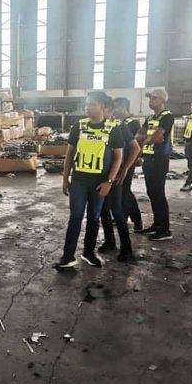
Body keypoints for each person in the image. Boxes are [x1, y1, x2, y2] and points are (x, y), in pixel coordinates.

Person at [55, 91, 124, 269]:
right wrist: (65, 179)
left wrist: (109, 182)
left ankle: (88, 253)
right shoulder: (79, 126)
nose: (87, 108)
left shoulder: (113, 129)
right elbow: (69, 154)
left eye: (91, 104)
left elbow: (118, 158)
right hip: (79, 181)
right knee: (75, 217)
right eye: (86, 104)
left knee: (94, 218)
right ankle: (67, 256)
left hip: (99, 183)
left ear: (102, 106)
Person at [97, 99, 141, 262]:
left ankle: (126, 249)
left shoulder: (119, 126)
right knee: (103, 210)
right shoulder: (93, 126)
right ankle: (109, 242)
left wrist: (125, 169)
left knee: (116, 209)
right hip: (98, 175)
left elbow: (135, 148)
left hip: (114, 175)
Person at [135, 89, 174, 241]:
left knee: (158, 193)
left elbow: (158, 138)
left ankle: (164, 229)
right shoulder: (150, 117)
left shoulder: (167, 117)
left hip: (159, 160)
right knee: (152, 193)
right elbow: (138, 136)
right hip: (149, 159)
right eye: (150, 98)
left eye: (154, 98)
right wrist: (148, 138)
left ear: (163, 100)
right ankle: (157, 224)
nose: (150, 101)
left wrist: (146, 138)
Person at [112, 97, 143, 232]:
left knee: (125, 191)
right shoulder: (121, 122)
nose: (113, 111)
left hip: (127, 162)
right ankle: (122, 216)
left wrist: (135, 160)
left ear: (123, 107)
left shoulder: (132, 123)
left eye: (115, 108)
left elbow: (136, 145)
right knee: (120, 191)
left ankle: (137, 220)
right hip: (119, 161)